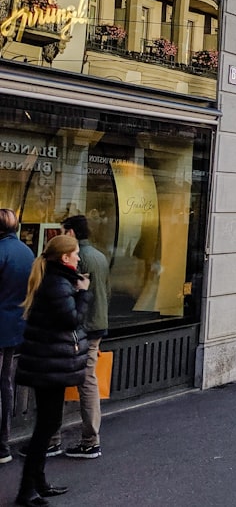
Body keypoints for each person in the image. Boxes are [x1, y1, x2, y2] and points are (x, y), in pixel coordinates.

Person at [16, 233, 90, 507]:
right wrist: (83, 294)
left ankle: (38, 482)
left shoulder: (56, 279)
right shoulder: (58, 283)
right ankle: (27, 489)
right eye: (76, 253)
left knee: (48, 424)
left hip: (49, 362)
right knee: (45, 426)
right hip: (49, 363)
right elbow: (70, 320)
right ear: (65, 257)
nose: (79, 257)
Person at [52, 215, 109, 461]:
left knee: (74, 380)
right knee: (88, 379)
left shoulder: (78, 258)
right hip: (96, 324)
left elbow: (70, 296)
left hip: (80, 327)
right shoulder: (100, 256)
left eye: (63, 232)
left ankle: (85, 441)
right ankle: (88, 441)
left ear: (72, 233)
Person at [0, 209, 33, 465]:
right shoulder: (26, 252)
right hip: (16, 325)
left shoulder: (1, 251)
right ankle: (4, 440)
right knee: (6, 382)